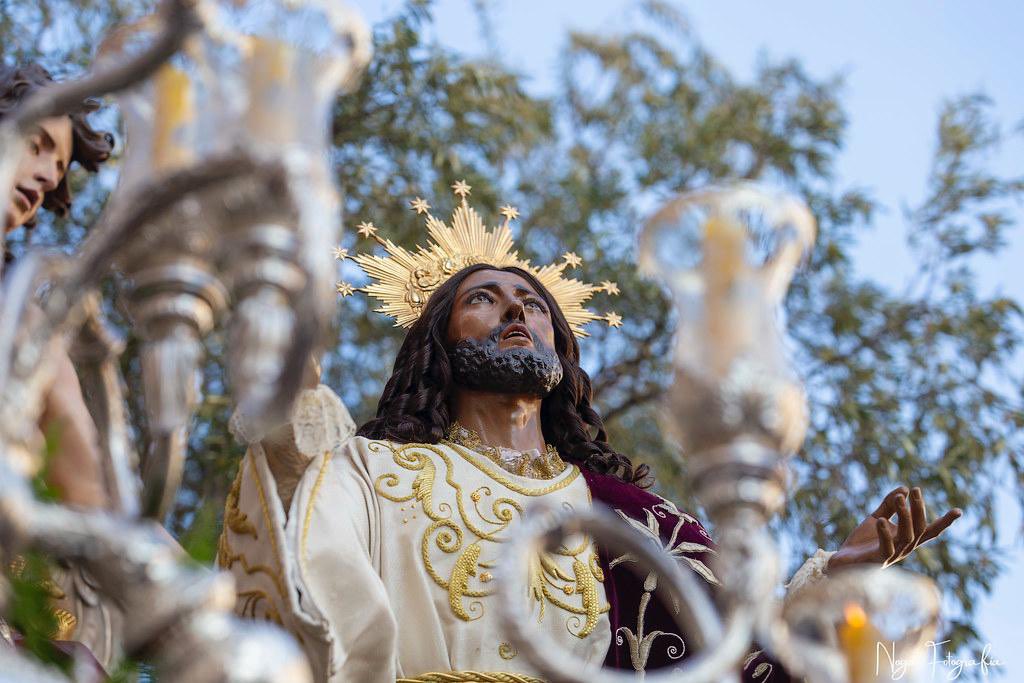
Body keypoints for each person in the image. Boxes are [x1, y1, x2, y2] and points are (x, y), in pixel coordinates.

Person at [220, 185, 961, 682]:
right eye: (485, 300)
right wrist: (288, 391)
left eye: (534, 306)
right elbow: (299, 559)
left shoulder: (639, 521)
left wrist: (832, 583)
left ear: (561, 350)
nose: (517, 314)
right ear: (438, 343)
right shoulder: (369, 470)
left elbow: (744, 655)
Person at [0, 62, 115, 510]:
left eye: (59, 166)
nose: (49, 176)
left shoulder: (22, 321)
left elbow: (92, 491)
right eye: (36, 146)